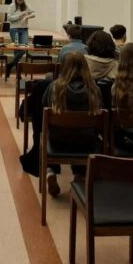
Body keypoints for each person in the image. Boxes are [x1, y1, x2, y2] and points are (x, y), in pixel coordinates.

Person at [42, 52, 103, 197]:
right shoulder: (94, 89)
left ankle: (51, 170)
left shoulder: (54, 87)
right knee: (82, 134)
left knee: (48, 134)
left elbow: (44, 106)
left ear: (64, 67)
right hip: (86, 142)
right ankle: (80, 175)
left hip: (58, 141)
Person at [5, 0, 34, 80]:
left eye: (22, 0)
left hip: (24, 29)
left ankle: (10, 65)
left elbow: (34, 13)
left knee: (24, 48)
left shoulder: (26, 5)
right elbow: (9, 18)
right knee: (17, 50)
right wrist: (20, 15)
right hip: (14, 29)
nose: (21, 1)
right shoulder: (12, 6)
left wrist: (27, 17)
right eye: (19, 0)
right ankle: (18, 75)